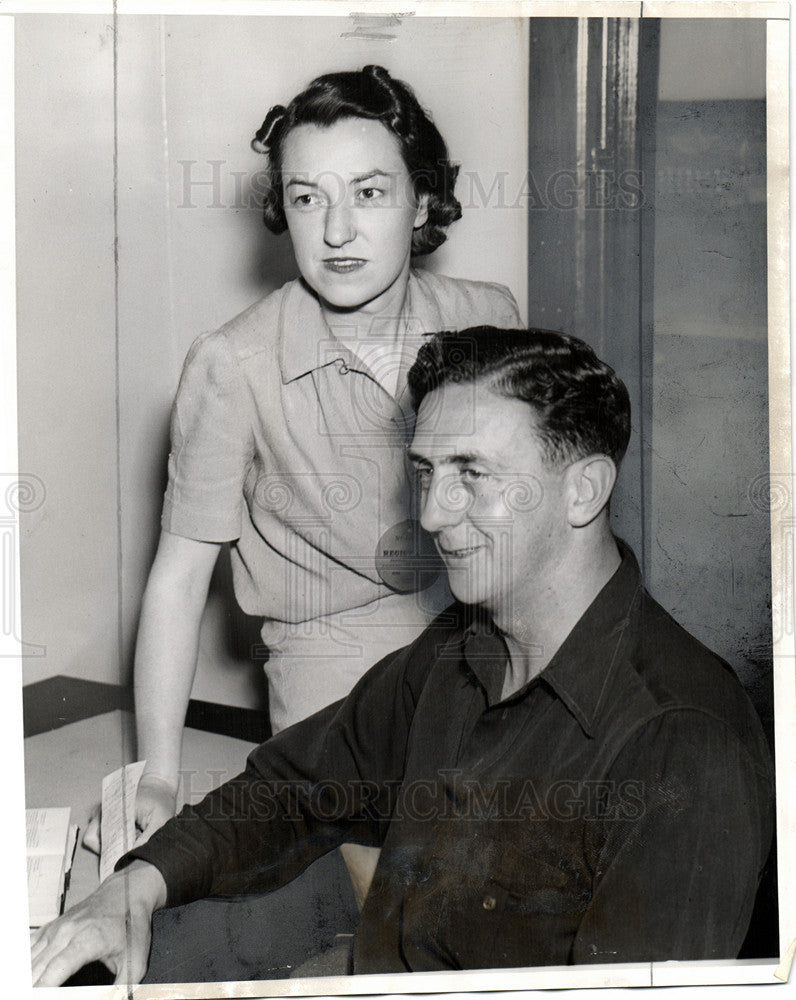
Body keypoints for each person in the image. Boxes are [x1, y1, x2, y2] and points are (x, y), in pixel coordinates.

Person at [31, 327, 774, 985]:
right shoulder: (462, 646)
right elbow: (291, 787)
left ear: (583, 490)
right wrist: (137, 882)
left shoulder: (682, 739)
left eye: (471, 475)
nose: (430, 514)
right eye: (425, 472)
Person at [85, 65, 521, 903]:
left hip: (474, 622)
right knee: (415, 901)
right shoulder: (232, 362)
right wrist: (159, 777)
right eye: (308, 199)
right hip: (331, 652)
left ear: (423, 204)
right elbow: (178, 582)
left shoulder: (490, 315)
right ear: (282, 212)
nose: (338, 230)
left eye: (368, 191)